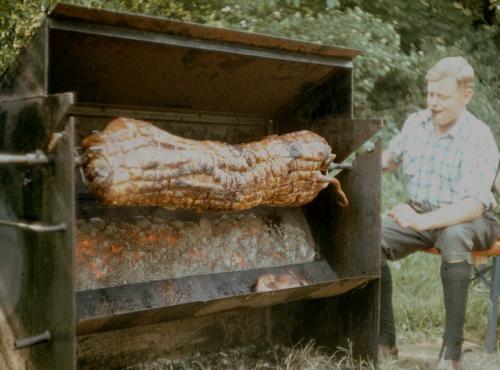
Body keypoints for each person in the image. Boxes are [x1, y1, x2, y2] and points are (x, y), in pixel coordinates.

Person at [379, 56, 500, 369]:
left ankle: (451, 351)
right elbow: (390, 159)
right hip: (422, 213)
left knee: (454, 234)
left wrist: (420, 221)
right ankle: (384, 341)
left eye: (442, 97)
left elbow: (473, 204)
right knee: (368, 237)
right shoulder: (416, 123)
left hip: (471, 219)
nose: (433, 103)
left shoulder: (478, 135)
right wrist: (356, 160)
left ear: (465, 96)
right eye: (430, 94)